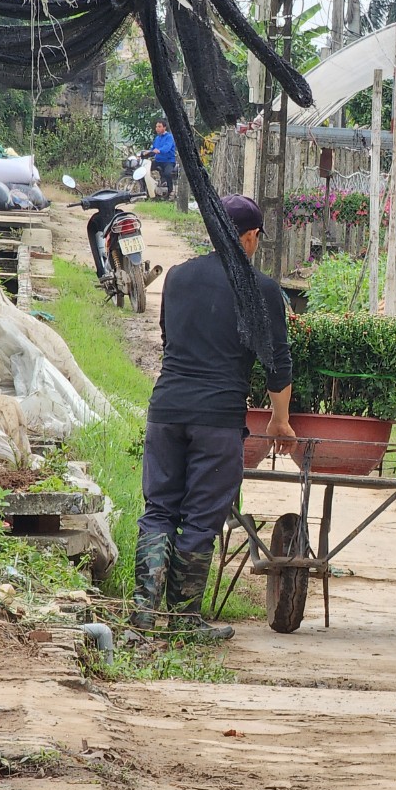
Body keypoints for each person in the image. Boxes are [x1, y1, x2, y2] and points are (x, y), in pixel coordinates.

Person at [129, 194, 295, 640]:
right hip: (217, 419)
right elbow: (277, 362)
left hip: (166, 411)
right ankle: (183, 620)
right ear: (248, 236)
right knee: (201, 517)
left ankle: (142, 612)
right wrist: (280, 420)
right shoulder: (261, 289)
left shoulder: (179, 277)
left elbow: (168, 338)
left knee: (159, 509)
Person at [143, 119, 177, 199]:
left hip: (168, 161)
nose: (157, 128)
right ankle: (147, 191)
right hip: (158, 161)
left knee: (167, 173)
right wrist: (147, 152)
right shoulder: (157, 138)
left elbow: (167, 147)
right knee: (145, 170)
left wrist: (159, 150)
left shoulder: (169, 137)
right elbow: (153, 148)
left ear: (164, 128)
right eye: (156, 127)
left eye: (159, 126)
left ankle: (170, 191)